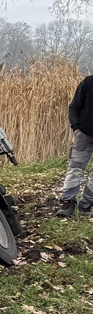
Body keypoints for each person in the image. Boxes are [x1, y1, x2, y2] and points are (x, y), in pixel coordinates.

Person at [58, 74, 93, 216]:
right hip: (83, 134)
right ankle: (68, 202)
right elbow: (74, 106)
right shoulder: (88, 82)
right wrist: (76, 128)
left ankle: (86, 204)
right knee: (75, 169)